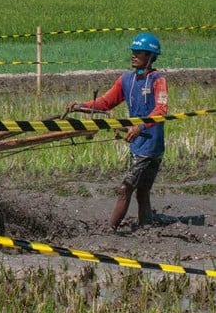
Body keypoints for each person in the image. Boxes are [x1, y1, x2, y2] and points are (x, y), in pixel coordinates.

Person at [67, 32, 169, 232]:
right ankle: (146, 227)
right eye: (132, 52)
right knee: (142, 191)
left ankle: (110, 229)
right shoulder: (126, 80)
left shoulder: (158, 80)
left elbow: (161, 110)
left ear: (150, 56)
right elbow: (105, 103)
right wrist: (81, 106)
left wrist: (140, 127)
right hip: (137, 144)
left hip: (150, 144)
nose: (133, 56)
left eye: (138, 52)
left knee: (125, 188)